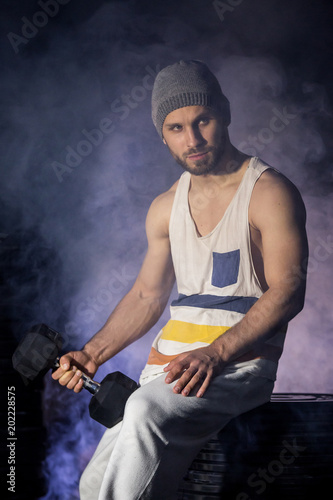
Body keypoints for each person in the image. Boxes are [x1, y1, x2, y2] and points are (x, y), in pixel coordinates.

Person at [52, 60, 308, 499]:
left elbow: (289, 291)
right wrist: (93, 353)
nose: (192, 140)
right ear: (162, 133)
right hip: (169, 369)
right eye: (175, 128)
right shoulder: (165, 207)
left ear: (223, 113)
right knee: (94, 482)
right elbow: (148, 296)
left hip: (237, 365)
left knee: (146, 413)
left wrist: (215, 353)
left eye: (202, 120)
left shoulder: (268, 192)